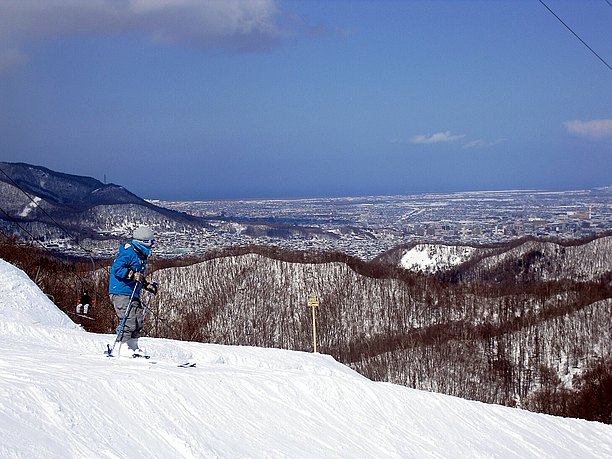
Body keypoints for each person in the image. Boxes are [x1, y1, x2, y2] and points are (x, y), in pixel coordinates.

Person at [108, 225, 159, 357]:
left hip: (132, 291)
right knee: (128, 319)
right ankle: (121, 346)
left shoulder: (141, 255)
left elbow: (138, 276)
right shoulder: (129, 252)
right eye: (151, 241)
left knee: (138, 319)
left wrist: (146, 285)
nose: (152, 244)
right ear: (144, 241)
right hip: (121, 291)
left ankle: (133, 346)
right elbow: (117, 269)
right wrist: (131, 274)